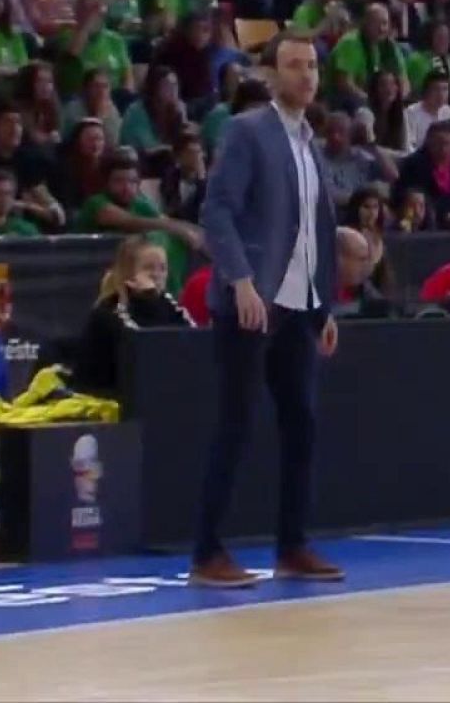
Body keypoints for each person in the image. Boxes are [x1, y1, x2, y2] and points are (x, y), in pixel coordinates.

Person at [192, 30, 341, 588]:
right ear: (273, 76)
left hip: (299, 306)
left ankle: (292, 545)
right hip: (253, 304)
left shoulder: (311, 143)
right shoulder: (247, 130)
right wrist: (240, 281)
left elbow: (315, 232)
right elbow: (218, 212)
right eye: (294, 65)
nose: (305, 75)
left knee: (301, 425)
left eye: (311, 66)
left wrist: (323, 306)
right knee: (236, 424)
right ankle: (207, 552)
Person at [73, 236, 194, 396]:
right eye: (149, 268)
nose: (157, 275)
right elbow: (144, 347)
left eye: (163, 268)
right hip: (104, 394)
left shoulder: (167, 304)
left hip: (148, 391)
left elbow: (191, 337)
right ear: (129, 274)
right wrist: (149, 299)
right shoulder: (110, 310)